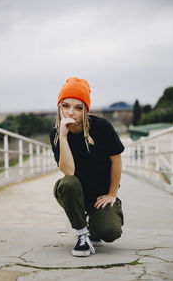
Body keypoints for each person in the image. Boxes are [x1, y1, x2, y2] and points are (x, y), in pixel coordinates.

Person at [50, 77, 124, 257]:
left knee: (109, 233)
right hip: (73, 192)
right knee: (67, 183)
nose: (70, 112)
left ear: (86, 109)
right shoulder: (56, 134)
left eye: (78, 107)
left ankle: (95, 225)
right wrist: (63, 136)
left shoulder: (102, 127)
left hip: (100, 194)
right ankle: (82, 234)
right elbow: (69, 173)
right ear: (59, 107)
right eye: (65, 106)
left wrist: (112, 193)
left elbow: (116, 160)